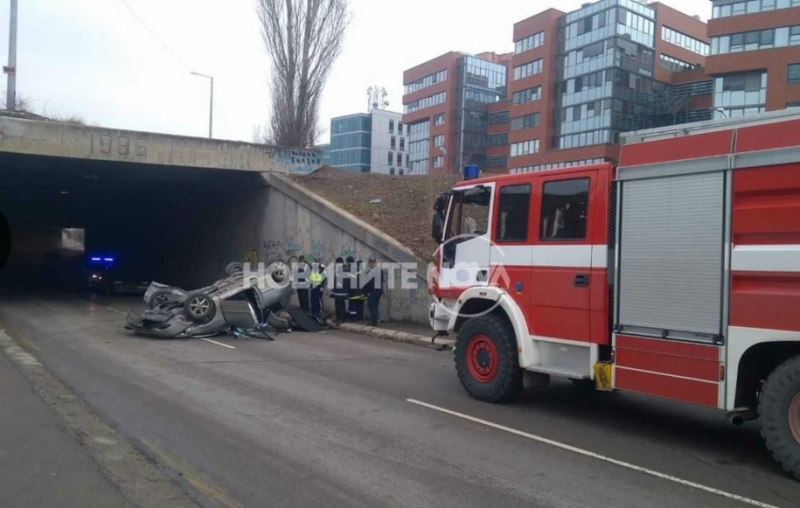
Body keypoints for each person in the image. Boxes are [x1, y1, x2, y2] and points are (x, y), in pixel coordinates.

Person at [364, 257, 384, 326]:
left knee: (372, 305)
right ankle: (375, 319)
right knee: (375, 305)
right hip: (379, 290)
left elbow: (369, 283)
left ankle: (374, 321)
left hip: (373, 291)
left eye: (369, 264)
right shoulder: (379, 270)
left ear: (371, 263)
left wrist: (366, 291)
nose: (369, 266)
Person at [329, 257, 348, 323]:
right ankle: (339, 317)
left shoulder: (344, 269)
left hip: (341, 290)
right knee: (337, 304)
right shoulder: (339, 269)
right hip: (338, 291)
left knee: (340, 305)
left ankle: (342, 318)